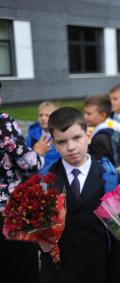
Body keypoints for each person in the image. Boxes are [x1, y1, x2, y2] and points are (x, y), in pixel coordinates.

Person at [39, 107, 110, 283]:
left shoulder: (110, 177)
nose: (71, 147)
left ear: (88, 135)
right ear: (54, 144)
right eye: (62, 142)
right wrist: (40, 240)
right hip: (59, 271)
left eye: (77, 138)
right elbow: (37, 222)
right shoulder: (44, 180)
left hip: (99, 270)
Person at [0, 92, 49, 283]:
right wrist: (39, 152)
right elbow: (29, 163)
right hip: (9, 209)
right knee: (22, 268)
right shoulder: (3, 123)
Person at [26, 101, 60, 174]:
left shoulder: (61, 135)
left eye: (47, 115)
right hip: (35, 177)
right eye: (41, 115)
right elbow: (25, 160)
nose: (43, 118)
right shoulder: (31, 137)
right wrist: (34, 152)